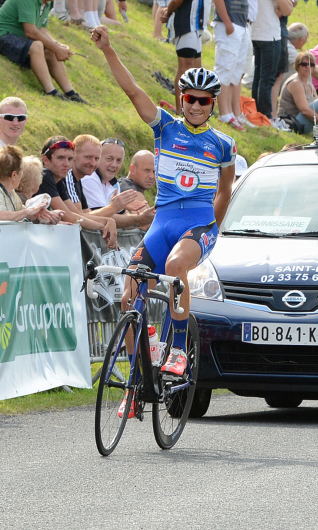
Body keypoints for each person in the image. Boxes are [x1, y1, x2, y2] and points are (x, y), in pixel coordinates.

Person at [93, 25, 236, 380]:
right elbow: (132, 90)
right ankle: (139, 374)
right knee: (130, 293)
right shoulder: (164, 127)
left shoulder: (223, 144)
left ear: (212, 104)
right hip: (163, 222)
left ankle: (177, 350)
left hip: (198, 223)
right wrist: (109, 49)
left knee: (174, 268)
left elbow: (225, 191)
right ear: (182, 100)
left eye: (205, 100)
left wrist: (212, 228)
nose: (197, 106)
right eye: (191, 99)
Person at [0, 0, 88, 102]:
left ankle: (71, 93)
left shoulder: (46, 3)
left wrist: (58, 45)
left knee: (50, 49)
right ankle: (51, 91)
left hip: (14, 36)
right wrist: (56, 48)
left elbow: (42, 29)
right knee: (37, 46)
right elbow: (30, 32)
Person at [36, 135, 119, 247]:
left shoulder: (59, 179)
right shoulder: (45, 175)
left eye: (69, 159)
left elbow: (76, 214)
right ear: (46, 160)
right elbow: (70, 216)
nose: (66, 164)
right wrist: (104, 225)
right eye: (60, 158)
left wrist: (107, 221)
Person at [0, 145, 62, 222]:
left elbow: (21, 212)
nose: (22, 175)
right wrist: (27, 212)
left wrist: (43, 214)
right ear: (14, 175)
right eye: (21, 171)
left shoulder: (7, 190)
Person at [81, 138, 156, 228]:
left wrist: (141, 218)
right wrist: (139, 219)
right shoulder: (89, 178)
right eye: (109, 159)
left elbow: (122, 217)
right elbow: (100, 218)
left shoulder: (113, 183)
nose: (114, 165)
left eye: (118, 160)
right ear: (98, 158)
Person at [277, 51, 318, 147]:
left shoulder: (308, 84)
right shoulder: (295, 82)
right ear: (297, 66)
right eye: (304, 64)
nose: (308, 67)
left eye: (311, 65)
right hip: (293, 122)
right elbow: (305, 111)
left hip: (303, 122)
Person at [160, 0, 211, 114]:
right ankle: (181, 111)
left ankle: (190, 110)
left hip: (197, 25)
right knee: (186, 68)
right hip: (186, 23)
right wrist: (167, 12)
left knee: (196, 70)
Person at [251, 0, 293, 127]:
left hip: (257, 33)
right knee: (267, 79)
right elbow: (288, 10)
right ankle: (266, 116)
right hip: (269, 35)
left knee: (259, 78)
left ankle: (257, 113)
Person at [212, 0, 249, 131]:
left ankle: (230, 113)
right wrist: (227, 23)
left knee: (234, 72)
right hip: (229, 24)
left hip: (241, 24)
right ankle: (224, 114)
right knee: (225, 68)